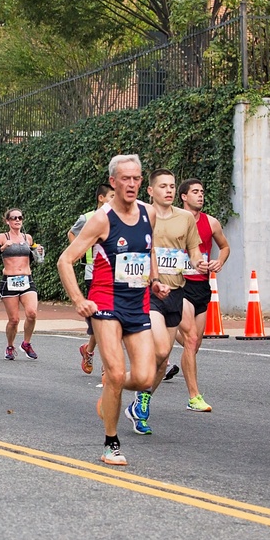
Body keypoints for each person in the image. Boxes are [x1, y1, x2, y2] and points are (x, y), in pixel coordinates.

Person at [57, 154, 167, 466]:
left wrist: (155, 281)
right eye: (125, 179)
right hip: (105, 303)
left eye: (136, 178)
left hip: (138, 302)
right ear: (114, 183)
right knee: (117, 371)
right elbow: (65, 260)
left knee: (145, 377)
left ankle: (111, 389)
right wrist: (79, 300)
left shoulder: (149, 214)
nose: (131, 184)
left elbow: (150, 249)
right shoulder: (102, 219)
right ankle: (111, 443)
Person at [125, 169, 200, 435]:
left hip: (176, 292)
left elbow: (193, 251)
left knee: (164, 356)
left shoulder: (186, 218)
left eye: (171, 186)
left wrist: (200, 262)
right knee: (158, 351)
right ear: (151, 191)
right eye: (163, 186)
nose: (168, 190)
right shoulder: (140, 215)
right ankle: (121, 381)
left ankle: (142, 400)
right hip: (149, 292)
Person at [174, 178, 231, 411]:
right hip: (181, 284)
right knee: (191, 340)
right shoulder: (173, 220)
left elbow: (225, 246)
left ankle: (168, 336)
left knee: (193, 345)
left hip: (202, 287)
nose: (200, 195)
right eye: (195, 192)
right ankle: (194, 397)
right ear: (184, 197)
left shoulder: (212, 223)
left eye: (202, 191)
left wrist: (220, 261)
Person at [67, 184, 114, 374]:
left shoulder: (120, 217)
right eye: (111, 195)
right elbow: (71, 233)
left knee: (110, 320)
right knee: (101, 321)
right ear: (101, 198)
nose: (115, 198)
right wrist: (78, 250)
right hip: (92, 274)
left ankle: (91, 351)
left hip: (116, 277)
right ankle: (105, 364)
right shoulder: (87, 218)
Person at [0, 207, 44, 360]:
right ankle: (10, 346)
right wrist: (2, 248)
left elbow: (31, 259)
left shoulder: (28, 238)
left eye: (20, 217)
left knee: (32, 313)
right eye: (14, 218)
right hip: (9, 282)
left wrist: (37, 252)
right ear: (8, 221)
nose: (18, 220)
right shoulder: (3, 237)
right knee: (14, 320)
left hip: (27, 280)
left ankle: (26, 343)